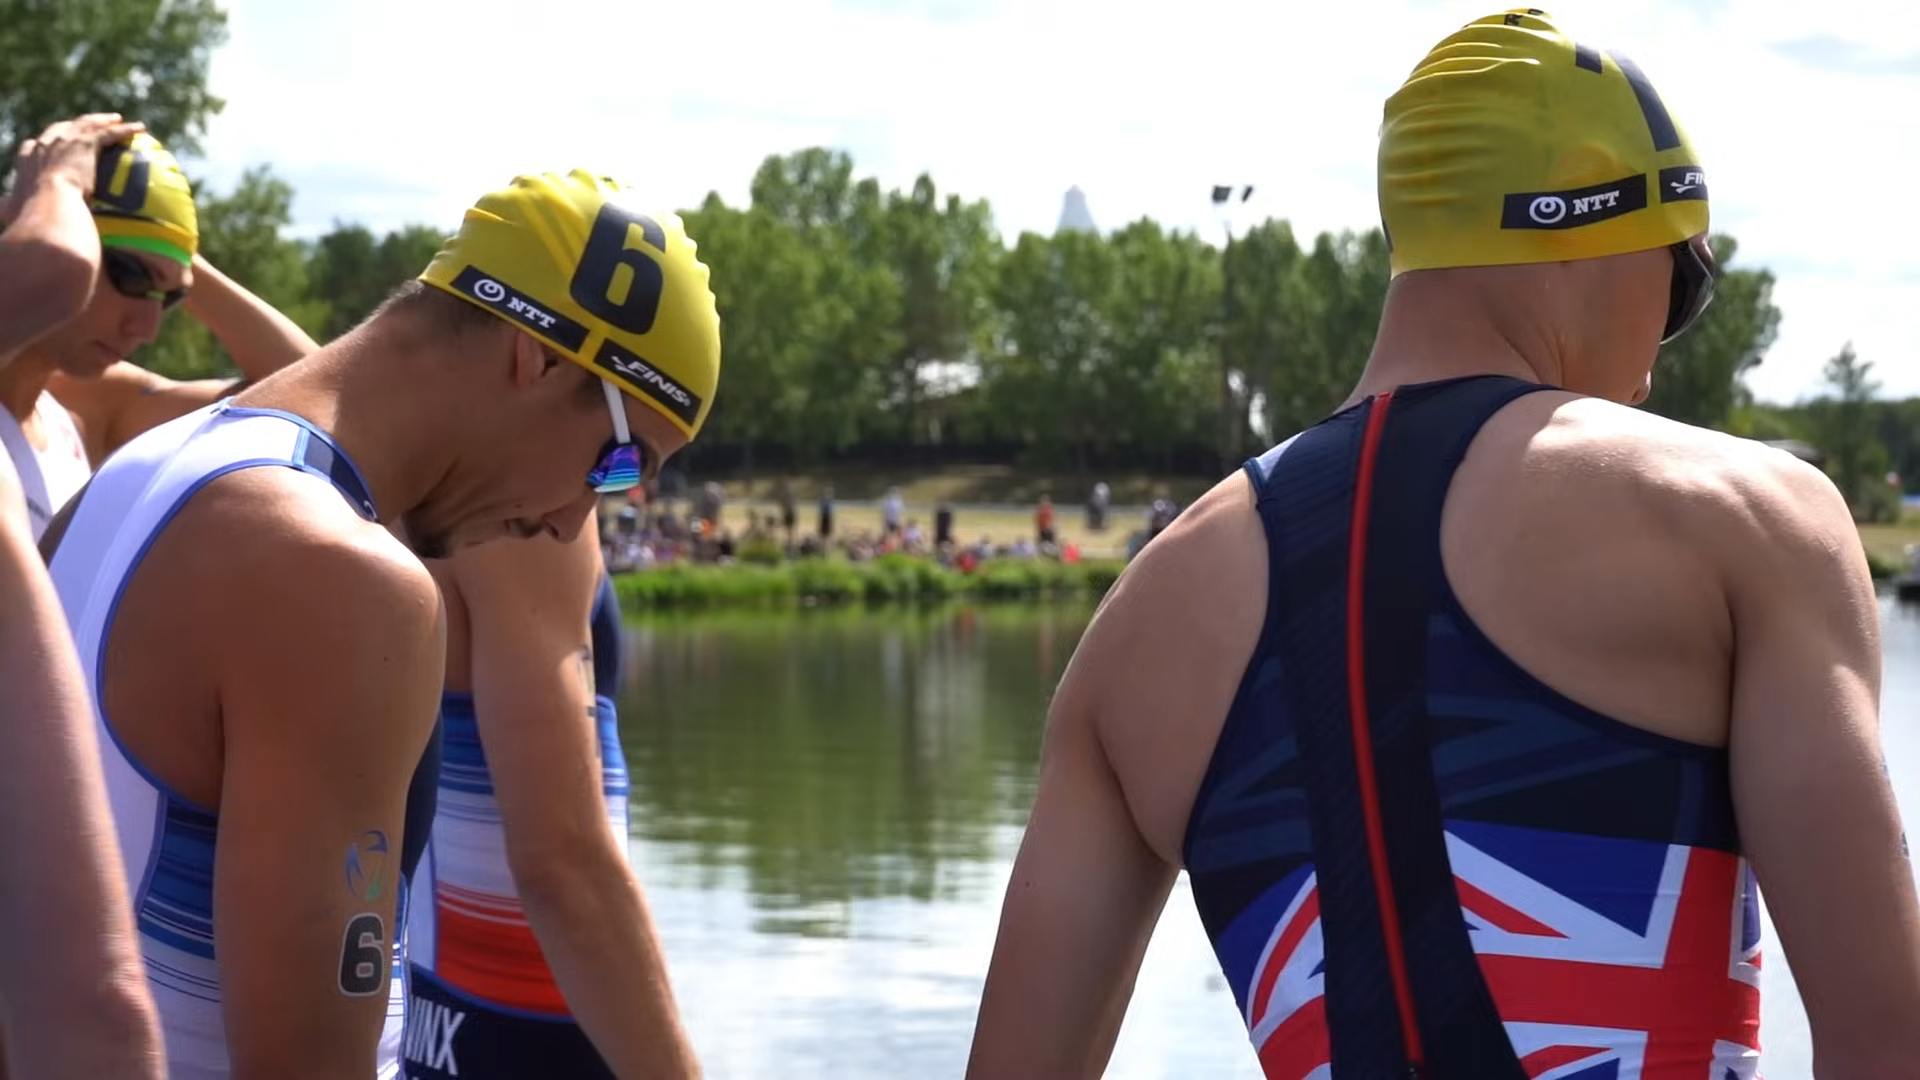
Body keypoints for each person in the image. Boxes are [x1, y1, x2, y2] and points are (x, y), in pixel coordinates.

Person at [968, 12, 1920, 1079]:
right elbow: (1889, 1040)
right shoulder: (1748, 517)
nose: (1654, 368)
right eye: (1685, 283)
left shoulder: (1135, 632)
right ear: (1600, 225)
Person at [45, 169, 722, 1076]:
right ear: (540, 357)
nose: (577, 519)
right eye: (618, 463)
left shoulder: (124, 478)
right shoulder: (342, 579)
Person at [0, 111, 165, 1079]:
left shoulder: (76, 418)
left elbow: (298, 381)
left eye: (166, 299)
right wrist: (57, 172)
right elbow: (56, 271)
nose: (144, 318)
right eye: (126, 272)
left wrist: (176, 262)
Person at [407, 527, 696, 1078]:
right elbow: (562, 863)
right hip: (543, 1019)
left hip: (428, 1014)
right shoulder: (527, 505)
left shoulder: (360, 482)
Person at [0, 128, 314, 540]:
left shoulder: (84, 411)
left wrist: (173, 247)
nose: (146, 328)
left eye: (169, 297)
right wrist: (53, 202)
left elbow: (305, 397)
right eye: (131, 275)